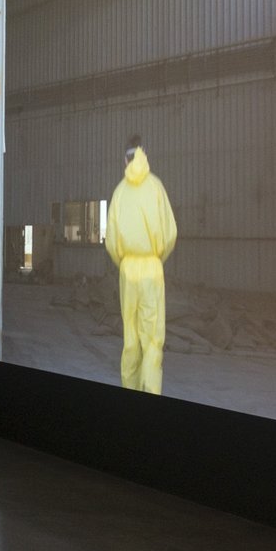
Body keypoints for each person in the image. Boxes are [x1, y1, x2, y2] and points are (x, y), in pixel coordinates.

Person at [104, 135, 177, 394]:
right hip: (151, 269)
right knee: (153, 338)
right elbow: (170, 234)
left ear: (125, 159)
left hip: (127, 269)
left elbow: (111, 241)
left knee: (131, 338)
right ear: (144, 155)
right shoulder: (156, 187)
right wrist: (155, 259)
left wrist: (124, 262)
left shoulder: (119, 192)